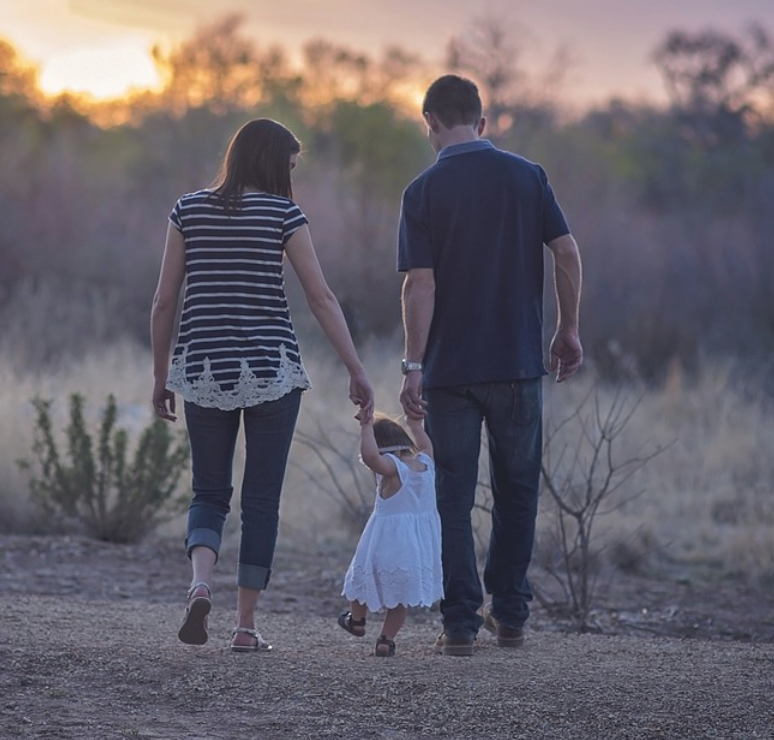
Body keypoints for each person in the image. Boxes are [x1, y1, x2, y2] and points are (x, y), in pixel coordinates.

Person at [151, 118, 374, 652]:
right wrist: (356, 369)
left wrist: (162, 377)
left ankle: (201, 583)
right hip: (272, 371)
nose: (291, 177)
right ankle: (245, 627)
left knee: (208, 491)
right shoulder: (283, 214)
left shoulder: (187, 210)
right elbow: (321, 298)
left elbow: (163, 301)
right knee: (261, 501)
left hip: (203, 369)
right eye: (290, 166)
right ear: (274, 163)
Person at [397, 75, 583, 656]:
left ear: (428, 121)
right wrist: (568, 328)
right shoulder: (528, 177)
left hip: (450, 373)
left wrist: (412, 364)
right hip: (519, 365)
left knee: (452, 497)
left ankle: (458, 625)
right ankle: (511, 615)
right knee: (518, 490)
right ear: (482, 121)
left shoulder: (422, 191)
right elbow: (567, 251)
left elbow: (418, 286)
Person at [339, 411, 443, 657]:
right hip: (416, 547)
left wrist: (366, 428)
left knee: (360, 580)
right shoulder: (426, 464)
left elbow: (370, 456)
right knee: (400, 597)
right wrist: (416, 425)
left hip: (385, 543)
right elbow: (426, 446)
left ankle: (357, 620)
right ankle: (386, 640)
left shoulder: (393, 469)